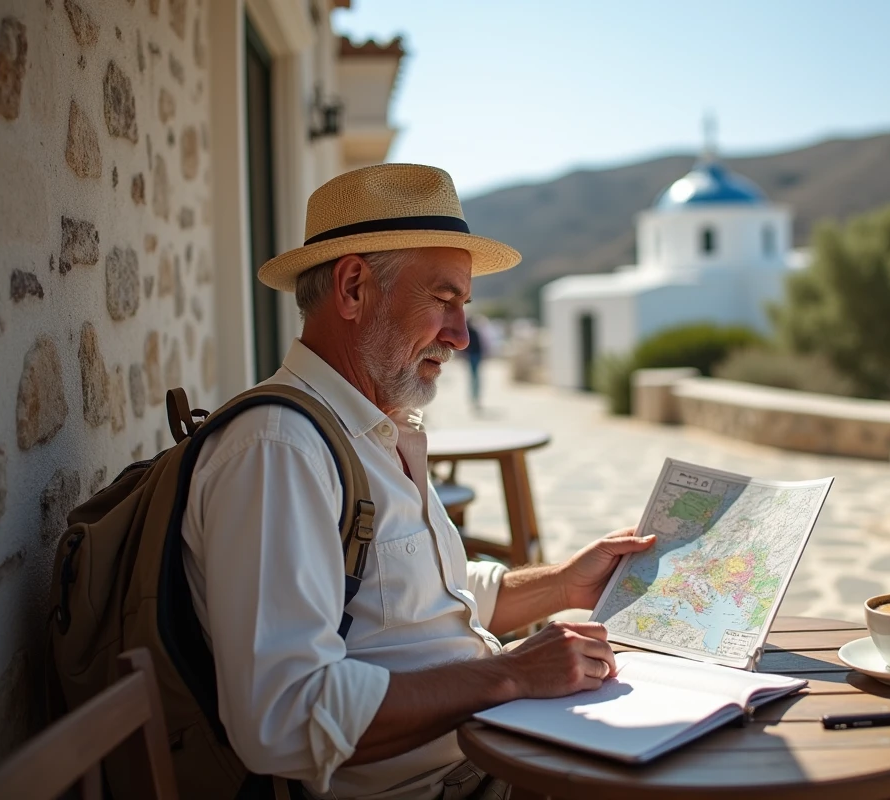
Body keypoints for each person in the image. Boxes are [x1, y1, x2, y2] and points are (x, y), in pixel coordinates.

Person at [181, 164, 655, 800]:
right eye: (444, 299)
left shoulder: (371, 430)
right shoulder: (280, 449)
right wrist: (510, 675)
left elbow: (433, 600)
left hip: (485, 761)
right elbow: (283, 718)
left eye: (464, 306)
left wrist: (565, 582)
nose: (461, 336)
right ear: (353, 288)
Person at [464, 314, 486, 411]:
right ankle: (474, 399)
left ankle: (475, 399)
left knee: (474, 378)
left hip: (474, 357)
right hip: (473, 357)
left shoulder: (470, 332)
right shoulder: (470, 332)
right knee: (474, 378)